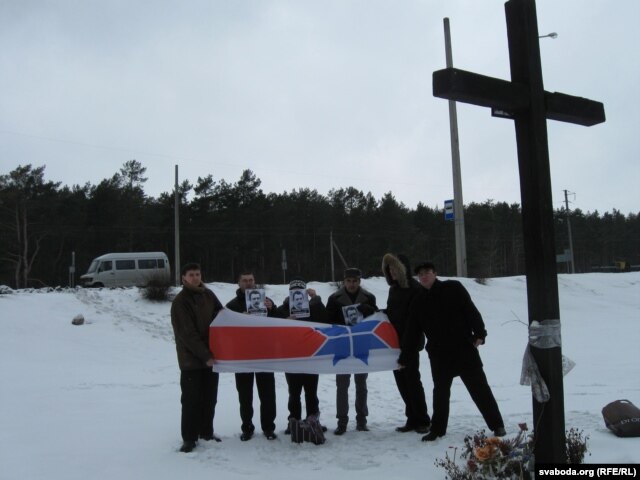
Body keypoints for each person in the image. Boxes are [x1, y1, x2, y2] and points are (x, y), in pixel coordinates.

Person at [409, 261, 506, 441]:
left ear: (435, 273)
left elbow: (470, 310)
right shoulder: (418, 301)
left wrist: (480, 333)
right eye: (420, 274)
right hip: (439, 354)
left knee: (480, 389)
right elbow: (412, 331)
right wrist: (405, 354)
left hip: (463, 348)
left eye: (427, 272)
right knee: (441, 393)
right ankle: (437, 429)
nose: (424, 276)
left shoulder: (453, 288)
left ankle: (497, 425)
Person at [170, 263, 223, 453]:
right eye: (191, 275)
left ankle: (206, 432)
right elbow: (187, 334)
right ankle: (189, 438)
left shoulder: (208, 295)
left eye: (197, 274)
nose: (195, 277)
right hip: (191, 360)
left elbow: (221, 314)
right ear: (183, 278)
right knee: (191, 400)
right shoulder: (180, 301)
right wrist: (205, 355)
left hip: (211, 358)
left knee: (210, 398)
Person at [225, 271, 278, 441]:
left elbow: (280, 322)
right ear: (238, 283)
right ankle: (247, 427)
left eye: (251, 280)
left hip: (264, 354)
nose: (248, 283)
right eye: (245, 280)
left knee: (268, 394)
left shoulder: (266, 301)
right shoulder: (232, 306)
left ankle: (268, 427)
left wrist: (273, 309)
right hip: (243, 356)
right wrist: (240, 319)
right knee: (245, 395)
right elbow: (225, 330)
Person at [382, 253, 431, 434]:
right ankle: (412, 418)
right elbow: (393, 314)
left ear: (403, 269)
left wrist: (407, 350)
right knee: (402, 384)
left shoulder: (415, 289)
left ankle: (423, 420)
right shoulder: (393, 289)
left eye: (395, 268)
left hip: (410, 345)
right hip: (395, 345)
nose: (392, 272)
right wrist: (375, 312)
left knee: (412, 382)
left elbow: (414, 323)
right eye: (390, 269)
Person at [325, 267, 378, 435]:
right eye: (349, 280)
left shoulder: (369, 297)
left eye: (355, 281)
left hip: (362, 344)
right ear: (344, 281)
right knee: (342, 385)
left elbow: (376, 320)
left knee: (361, 384)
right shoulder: (334, 299)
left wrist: (370, 310)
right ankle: (342, 421)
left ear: (359, 281)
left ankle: (361, 420)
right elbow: (328, 322)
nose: (352, 284)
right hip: (342, 346)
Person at [277, 278, 330, 434]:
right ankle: (293, 420)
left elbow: (325, 319)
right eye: (294, 292)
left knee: (311, 392)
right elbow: (273, 326)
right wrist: (285, 321)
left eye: (300, 291)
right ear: (290, 293)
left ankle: (313, 419)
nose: (297, 294)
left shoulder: (313, 307)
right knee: (294, 392)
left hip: (310, 356)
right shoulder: (283, 309)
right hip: (291, 357)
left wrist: (316, 299)